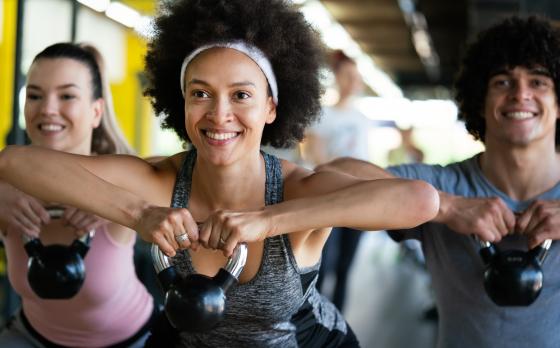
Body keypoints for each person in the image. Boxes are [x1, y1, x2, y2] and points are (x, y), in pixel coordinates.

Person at [0, 1, 439, 346]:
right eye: (201, 93)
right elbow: (15, 163)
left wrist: (267, 220)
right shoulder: (161, 182)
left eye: (241, 95)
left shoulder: (296, 188)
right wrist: (138, 214)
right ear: (183, 102)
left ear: (271, 106)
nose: (219, 114)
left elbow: (420, 201)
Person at [315, 16, 560, 348]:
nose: (520, 94)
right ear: (480, 102)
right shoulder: (442, 185)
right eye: (502, 82)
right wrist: (445, 206)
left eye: (538, 82)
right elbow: (329, 178)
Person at [0, 43, 156, 347]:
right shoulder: (6, 183)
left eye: (67, 96)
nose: (47, 108)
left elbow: (189, 180)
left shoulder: (124, 179)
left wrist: (118, 201)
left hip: (132, 339)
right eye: (34, 96)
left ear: (96, 111)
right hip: (32, 337)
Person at [304, 50, 370, 312]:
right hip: (330, 198)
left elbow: (365, 160)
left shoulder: (362, 119)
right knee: (324, 264)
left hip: (359, 199)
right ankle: (313, 319)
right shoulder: (323, 115)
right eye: (348, 75)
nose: (353, 80)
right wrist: (338, 174)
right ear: (337, 78)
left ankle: (336, 324)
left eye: (356, 76)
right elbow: (315, 155)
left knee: (345, 268)